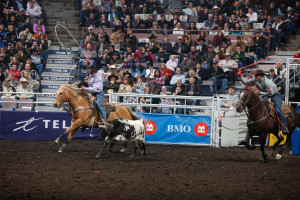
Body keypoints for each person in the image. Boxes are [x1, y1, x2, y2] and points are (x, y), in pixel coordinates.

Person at [238, 69, 289, 134]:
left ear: (261, 76)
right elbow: (246, 82)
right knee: (258, 105)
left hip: (275, 95)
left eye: (257, 75)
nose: (255, 77)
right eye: (255, 75)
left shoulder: (268, 82)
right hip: (266, 94)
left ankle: (285, 127)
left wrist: (260, 93)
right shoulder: (255, 79)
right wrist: (240, 76)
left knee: (278, 110)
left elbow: (270, 93)